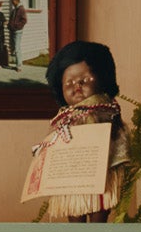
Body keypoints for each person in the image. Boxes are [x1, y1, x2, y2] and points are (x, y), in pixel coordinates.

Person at [35, 41, 130, 222]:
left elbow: (117, 135)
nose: (76, 87)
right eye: (69, 83)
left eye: (84, 81)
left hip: (100, 170)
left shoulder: (105, 110)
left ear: (102, 78)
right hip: (71, 172)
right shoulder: (62, 117)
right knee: (74, 206)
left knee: (100, 204)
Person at [8, 0, 28, 70]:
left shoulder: (21, 9)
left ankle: (19, 66)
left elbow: (24, 20)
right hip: (12, 31)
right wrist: (9, 25)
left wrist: (16, 26)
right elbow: (11, 20)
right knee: (15, 47)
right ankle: (19, 63)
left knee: (17, 48)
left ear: (16, 1)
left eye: (12, 1)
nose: (12, 3)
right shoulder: (14, 10)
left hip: (18, 31)